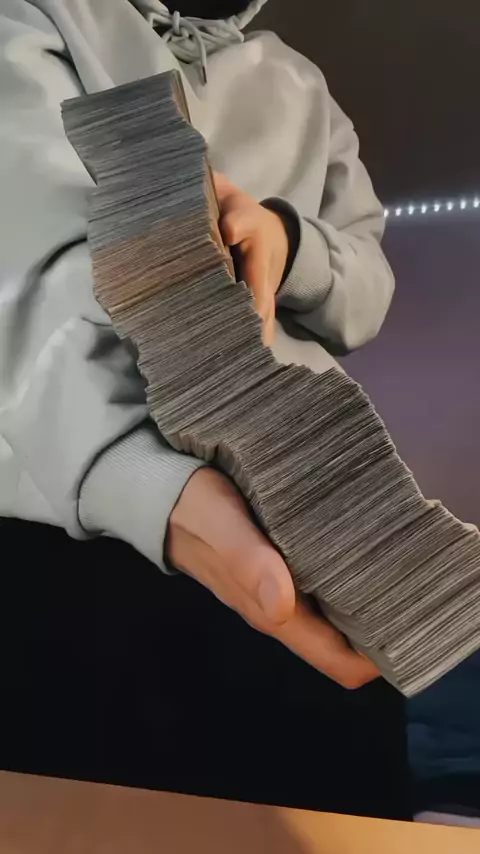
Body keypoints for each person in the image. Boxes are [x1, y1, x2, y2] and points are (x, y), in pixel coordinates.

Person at [0, 0, 409, 818]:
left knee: (335, 801)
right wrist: (139, 477)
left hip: (301, 512)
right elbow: (26, 266)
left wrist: (289, 240)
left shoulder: (299, 80)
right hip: (73, 529)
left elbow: (367, 285)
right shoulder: (35, 14)